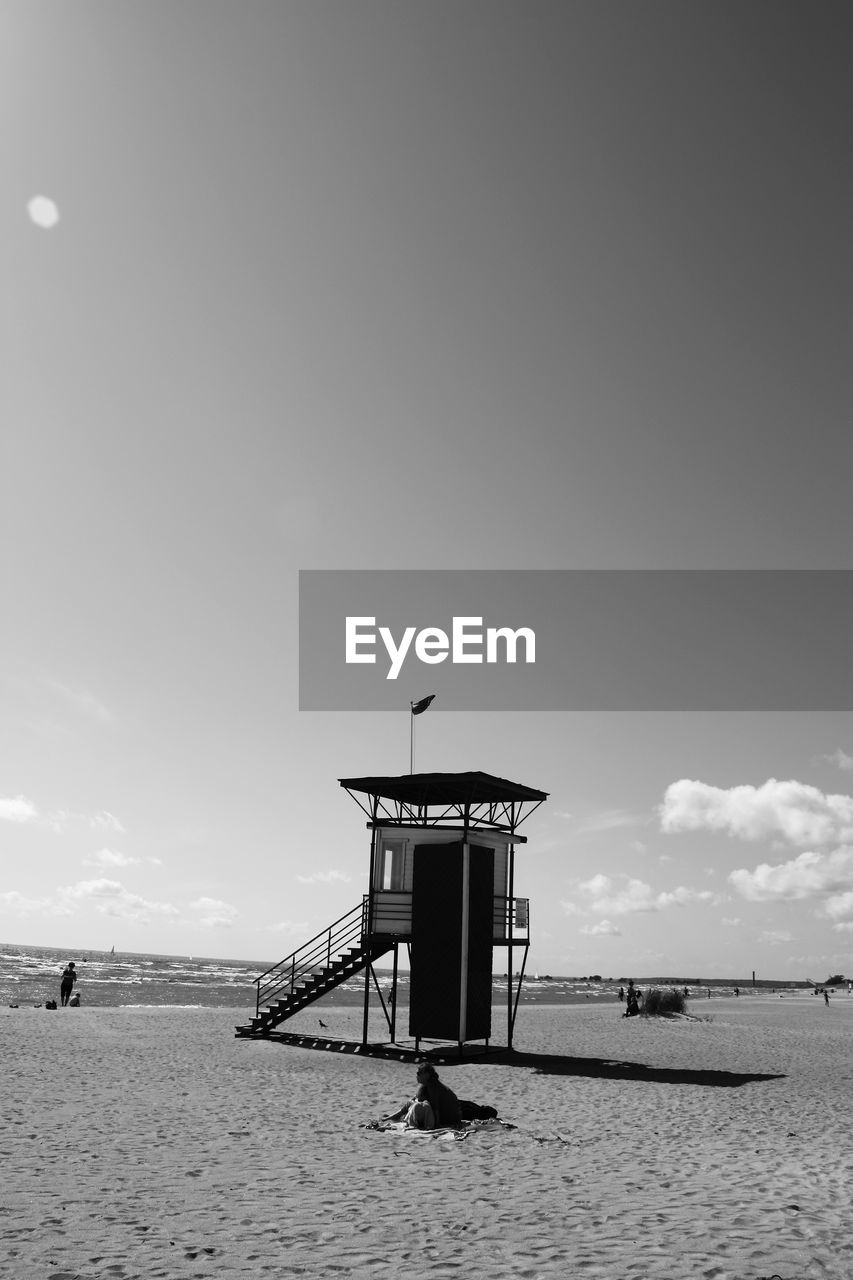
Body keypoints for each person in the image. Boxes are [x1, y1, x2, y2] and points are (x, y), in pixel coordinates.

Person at [385, 1064, 463, 1129]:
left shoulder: (433, 1087)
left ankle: (394, 1116)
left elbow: (436, 1108)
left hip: (448, 1118)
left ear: (427, 1075)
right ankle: (394, 1116)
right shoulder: (428, 1085)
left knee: (415, 1104)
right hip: (453, 1117)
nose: (417, 1076)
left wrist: (438, 1124)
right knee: (413, 1102)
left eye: (419, 1074)